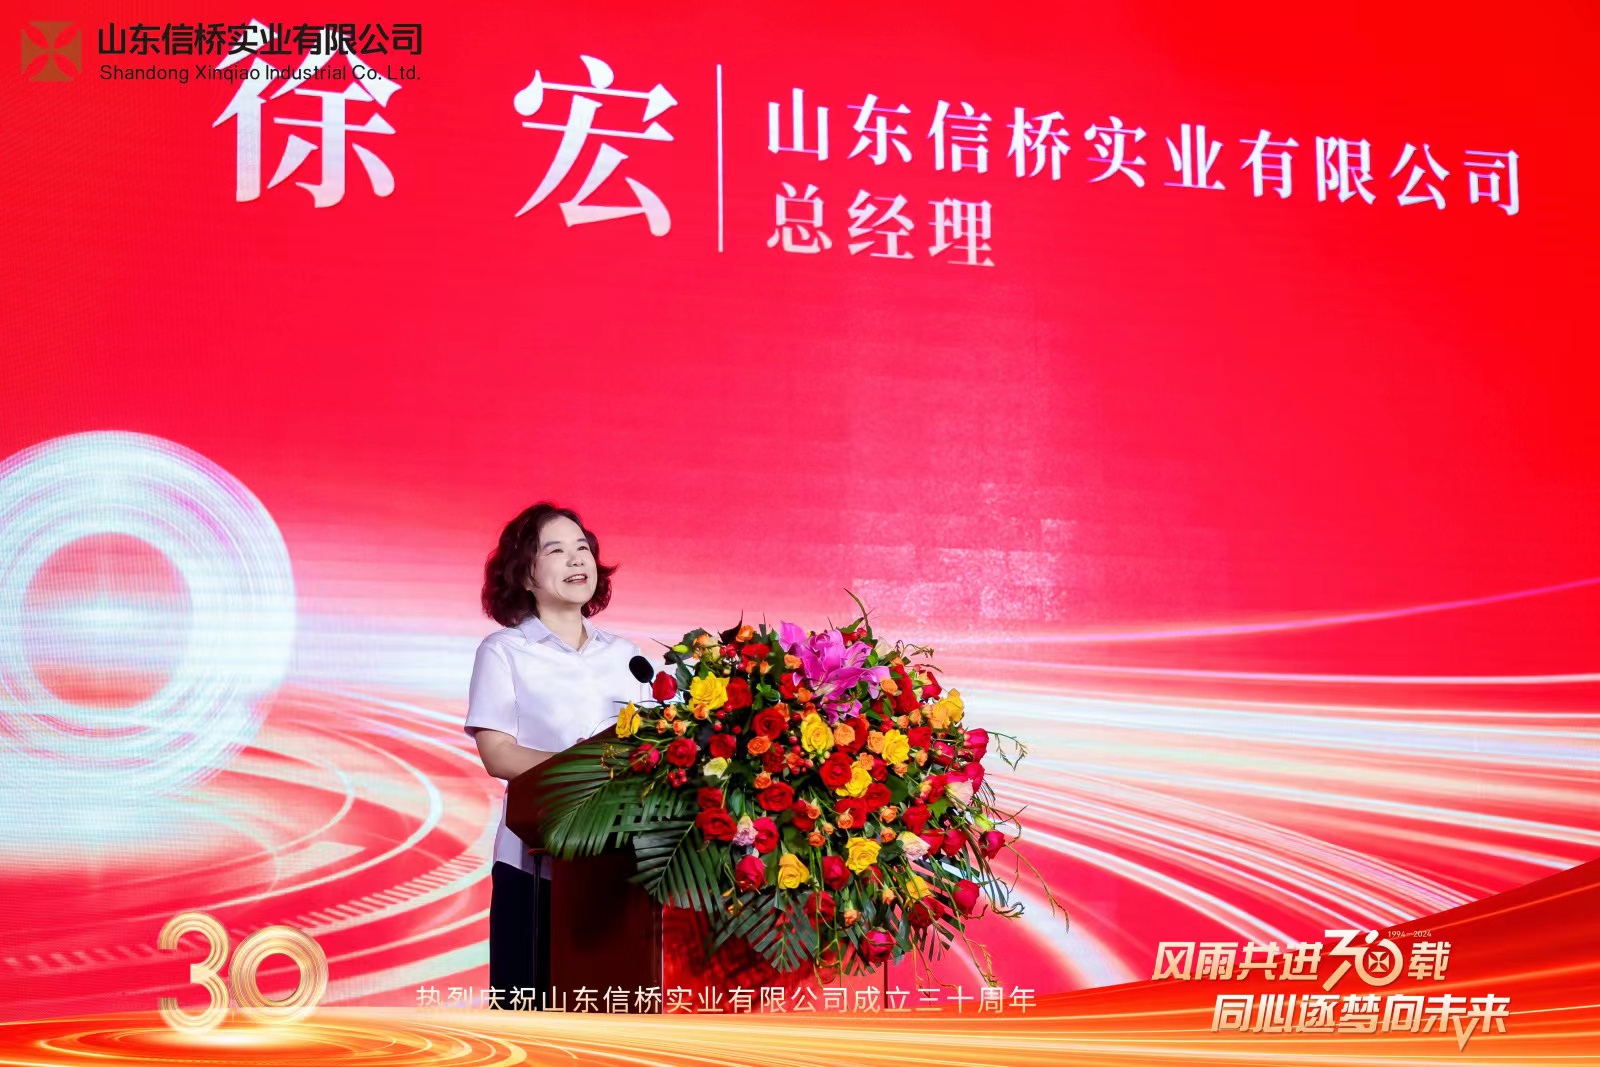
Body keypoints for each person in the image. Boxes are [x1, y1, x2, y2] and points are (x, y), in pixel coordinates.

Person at [464, 502, 648, 1007]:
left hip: (619, 865)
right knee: (531, 1017)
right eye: (556, 551)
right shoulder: (504, 651)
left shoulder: (627, 656)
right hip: (534, 865)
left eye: (582, 548)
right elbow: (498, 754)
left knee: (610, 1010)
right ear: (525, 573)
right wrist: (590, 771)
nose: (576, 560)